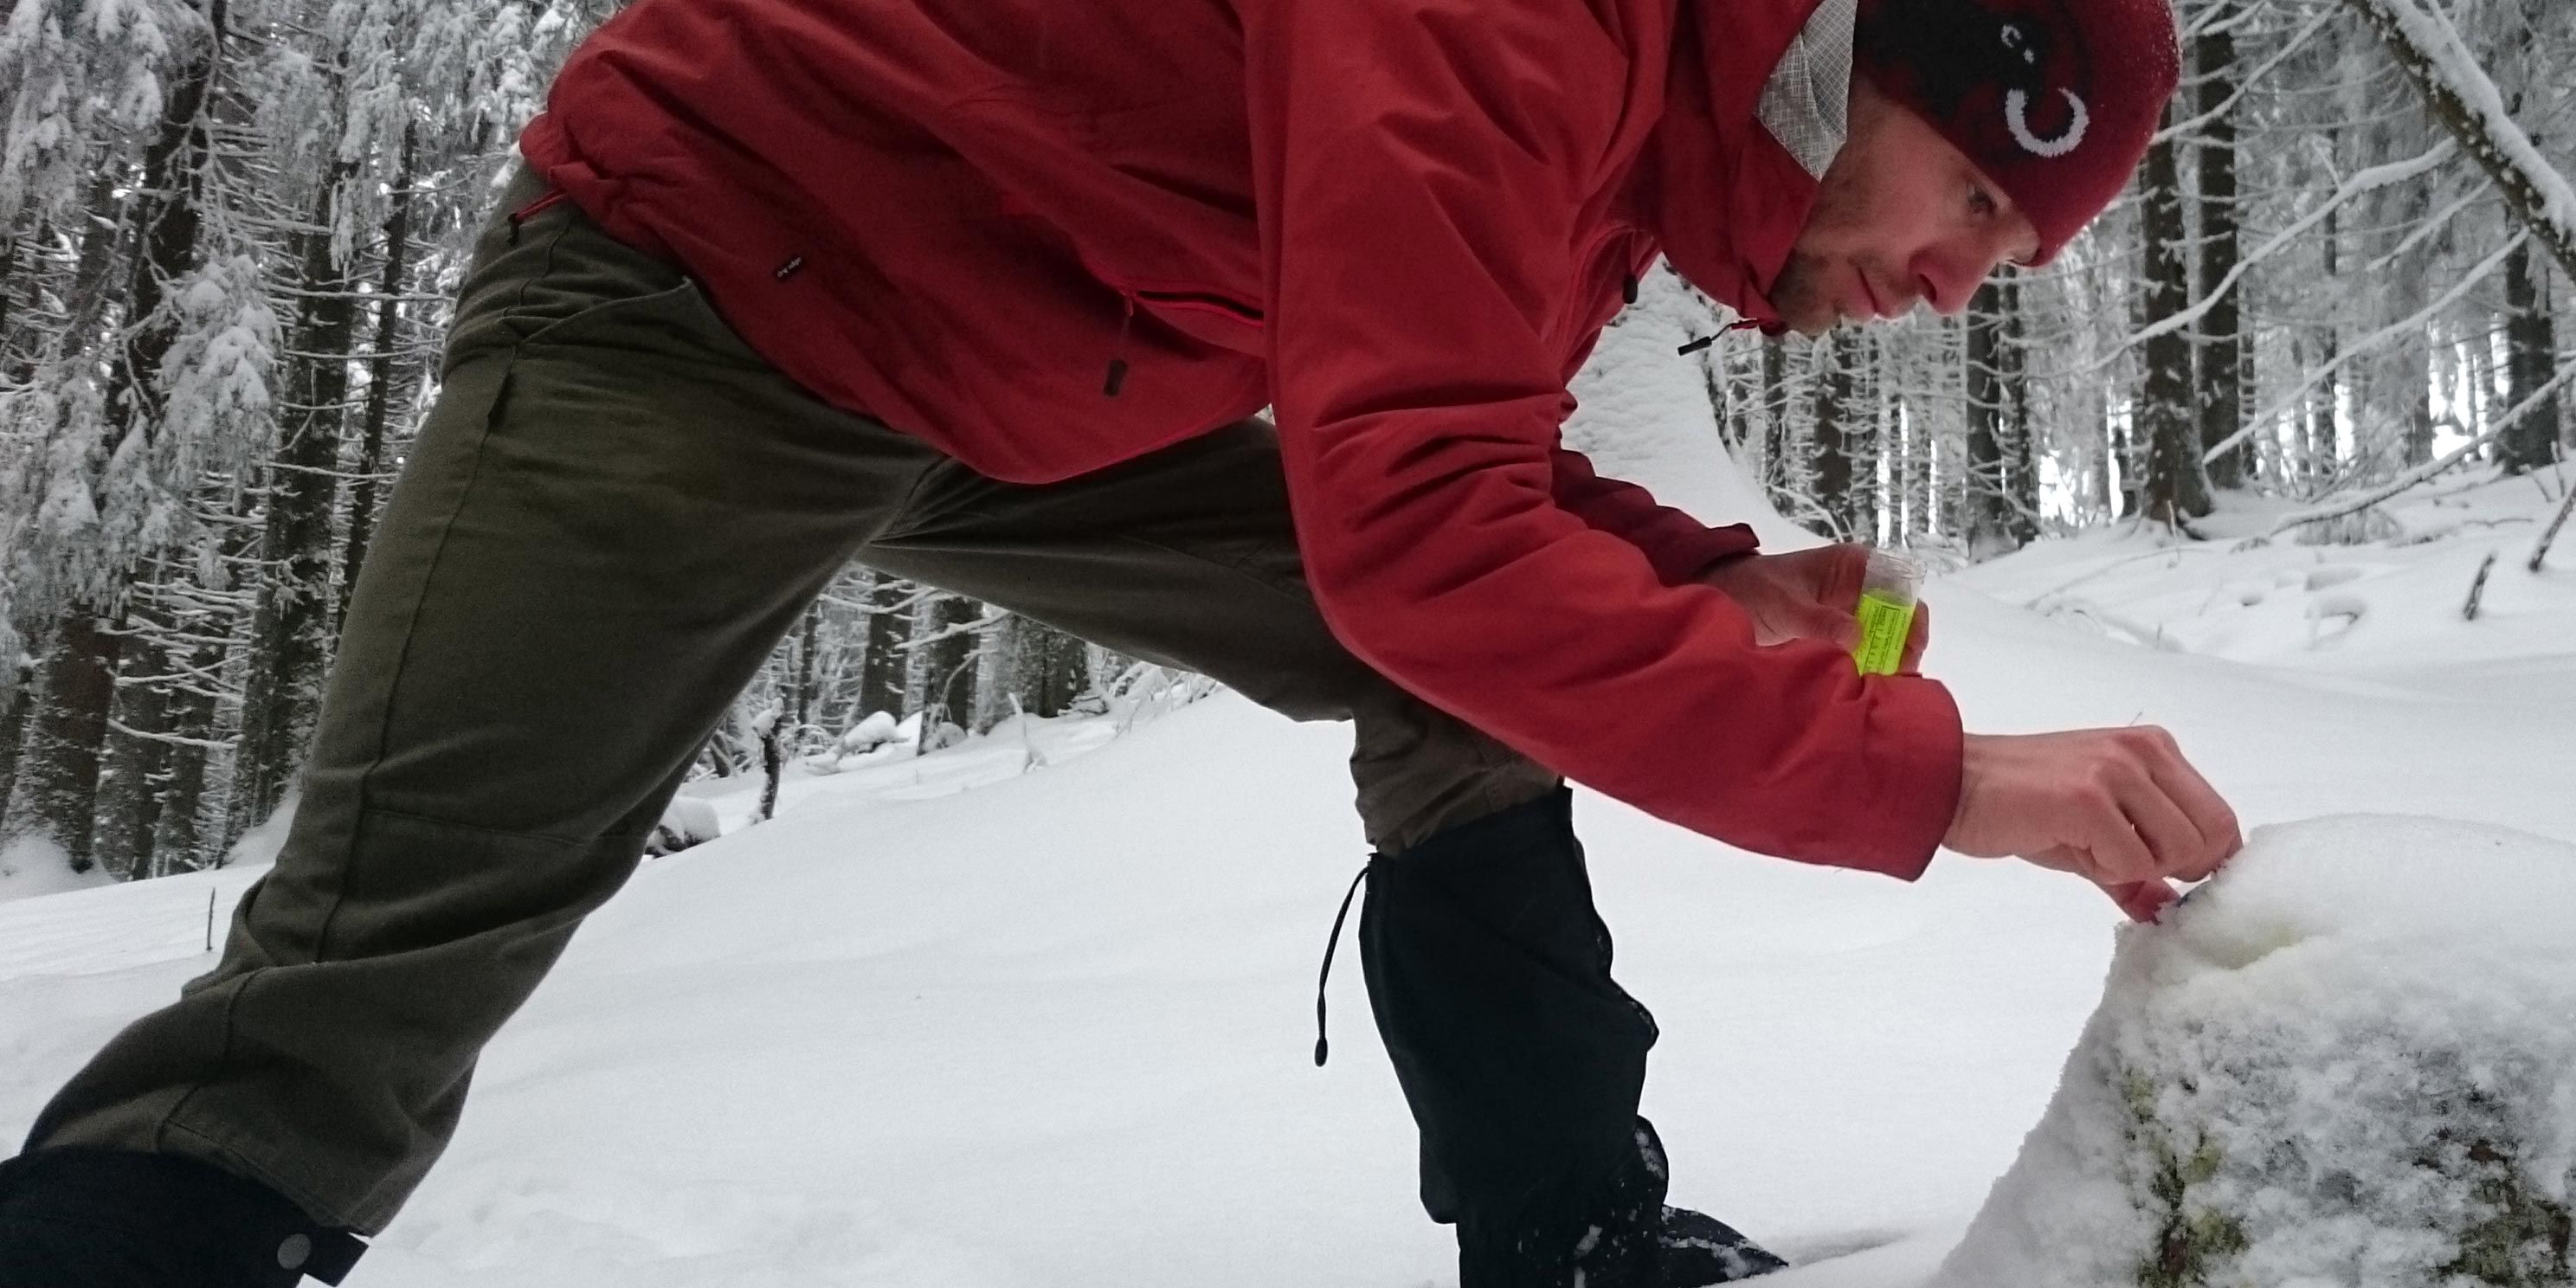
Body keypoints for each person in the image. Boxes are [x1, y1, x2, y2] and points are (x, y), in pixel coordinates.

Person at [0, 0, 2239, 1282]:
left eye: (2010, 258)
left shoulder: (1621, 116)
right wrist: (1945, 781)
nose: (1958, 280)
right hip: (708, 290)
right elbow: (1421, 532)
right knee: (357, 994)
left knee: (1456, 653)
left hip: (1026, 373)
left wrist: (1685, 578)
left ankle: (1569, 1238)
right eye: (1975, 196)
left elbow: (1452, 457)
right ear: (1850, 45)